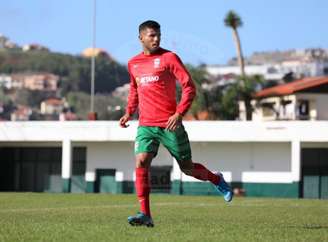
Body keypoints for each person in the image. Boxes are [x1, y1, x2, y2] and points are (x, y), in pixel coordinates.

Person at [119, 20, 233, 227]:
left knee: (187, 168)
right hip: (146, 125)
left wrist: (179, 113)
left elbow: (189, 87)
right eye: (152, 35)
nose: (156, 39)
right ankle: (145, 214)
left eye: (158, 35)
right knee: (141, 161)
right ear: (141, 38)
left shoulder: (169, 58)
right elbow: (134, 90)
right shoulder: (133, 63)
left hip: (170, 124)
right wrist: (128, 113)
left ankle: (216, 180)